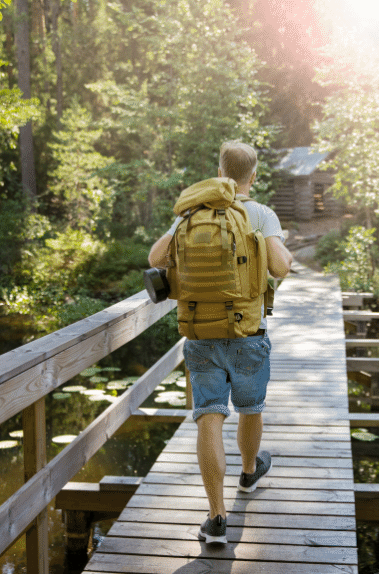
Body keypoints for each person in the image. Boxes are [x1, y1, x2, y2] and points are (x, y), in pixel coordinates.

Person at [148, 141, 293, 545]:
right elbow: (281, 265)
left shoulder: (193, 212)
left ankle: (216, 518)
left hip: (200, 333)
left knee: (209, 416)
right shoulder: (260, 213)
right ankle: (249, 473)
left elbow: (156, 257)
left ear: (219, 171)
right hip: (249, 333)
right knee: (251, 408)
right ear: (254, 175)